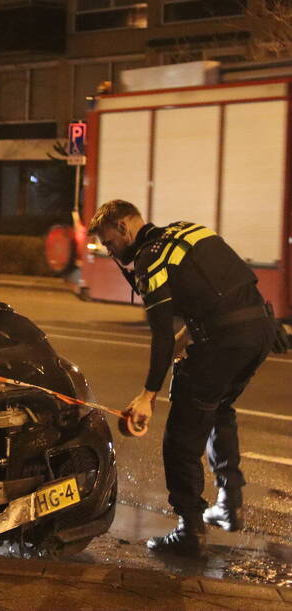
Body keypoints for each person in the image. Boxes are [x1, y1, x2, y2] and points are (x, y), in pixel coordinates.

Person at [88, 200, 274, 557]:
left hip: (221, 344)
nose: (110, 252)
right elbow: (216, 295)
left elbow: (159, 332)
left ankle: (190, 529)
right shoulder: (187, 231)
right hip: (260, 332)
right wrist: (183, 339)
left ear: (125, 229)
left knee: (181, 438)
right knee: (218, 408)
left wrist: (148, 393)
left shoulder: (150, 261)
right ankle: (229, 501)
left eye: (109, 244)